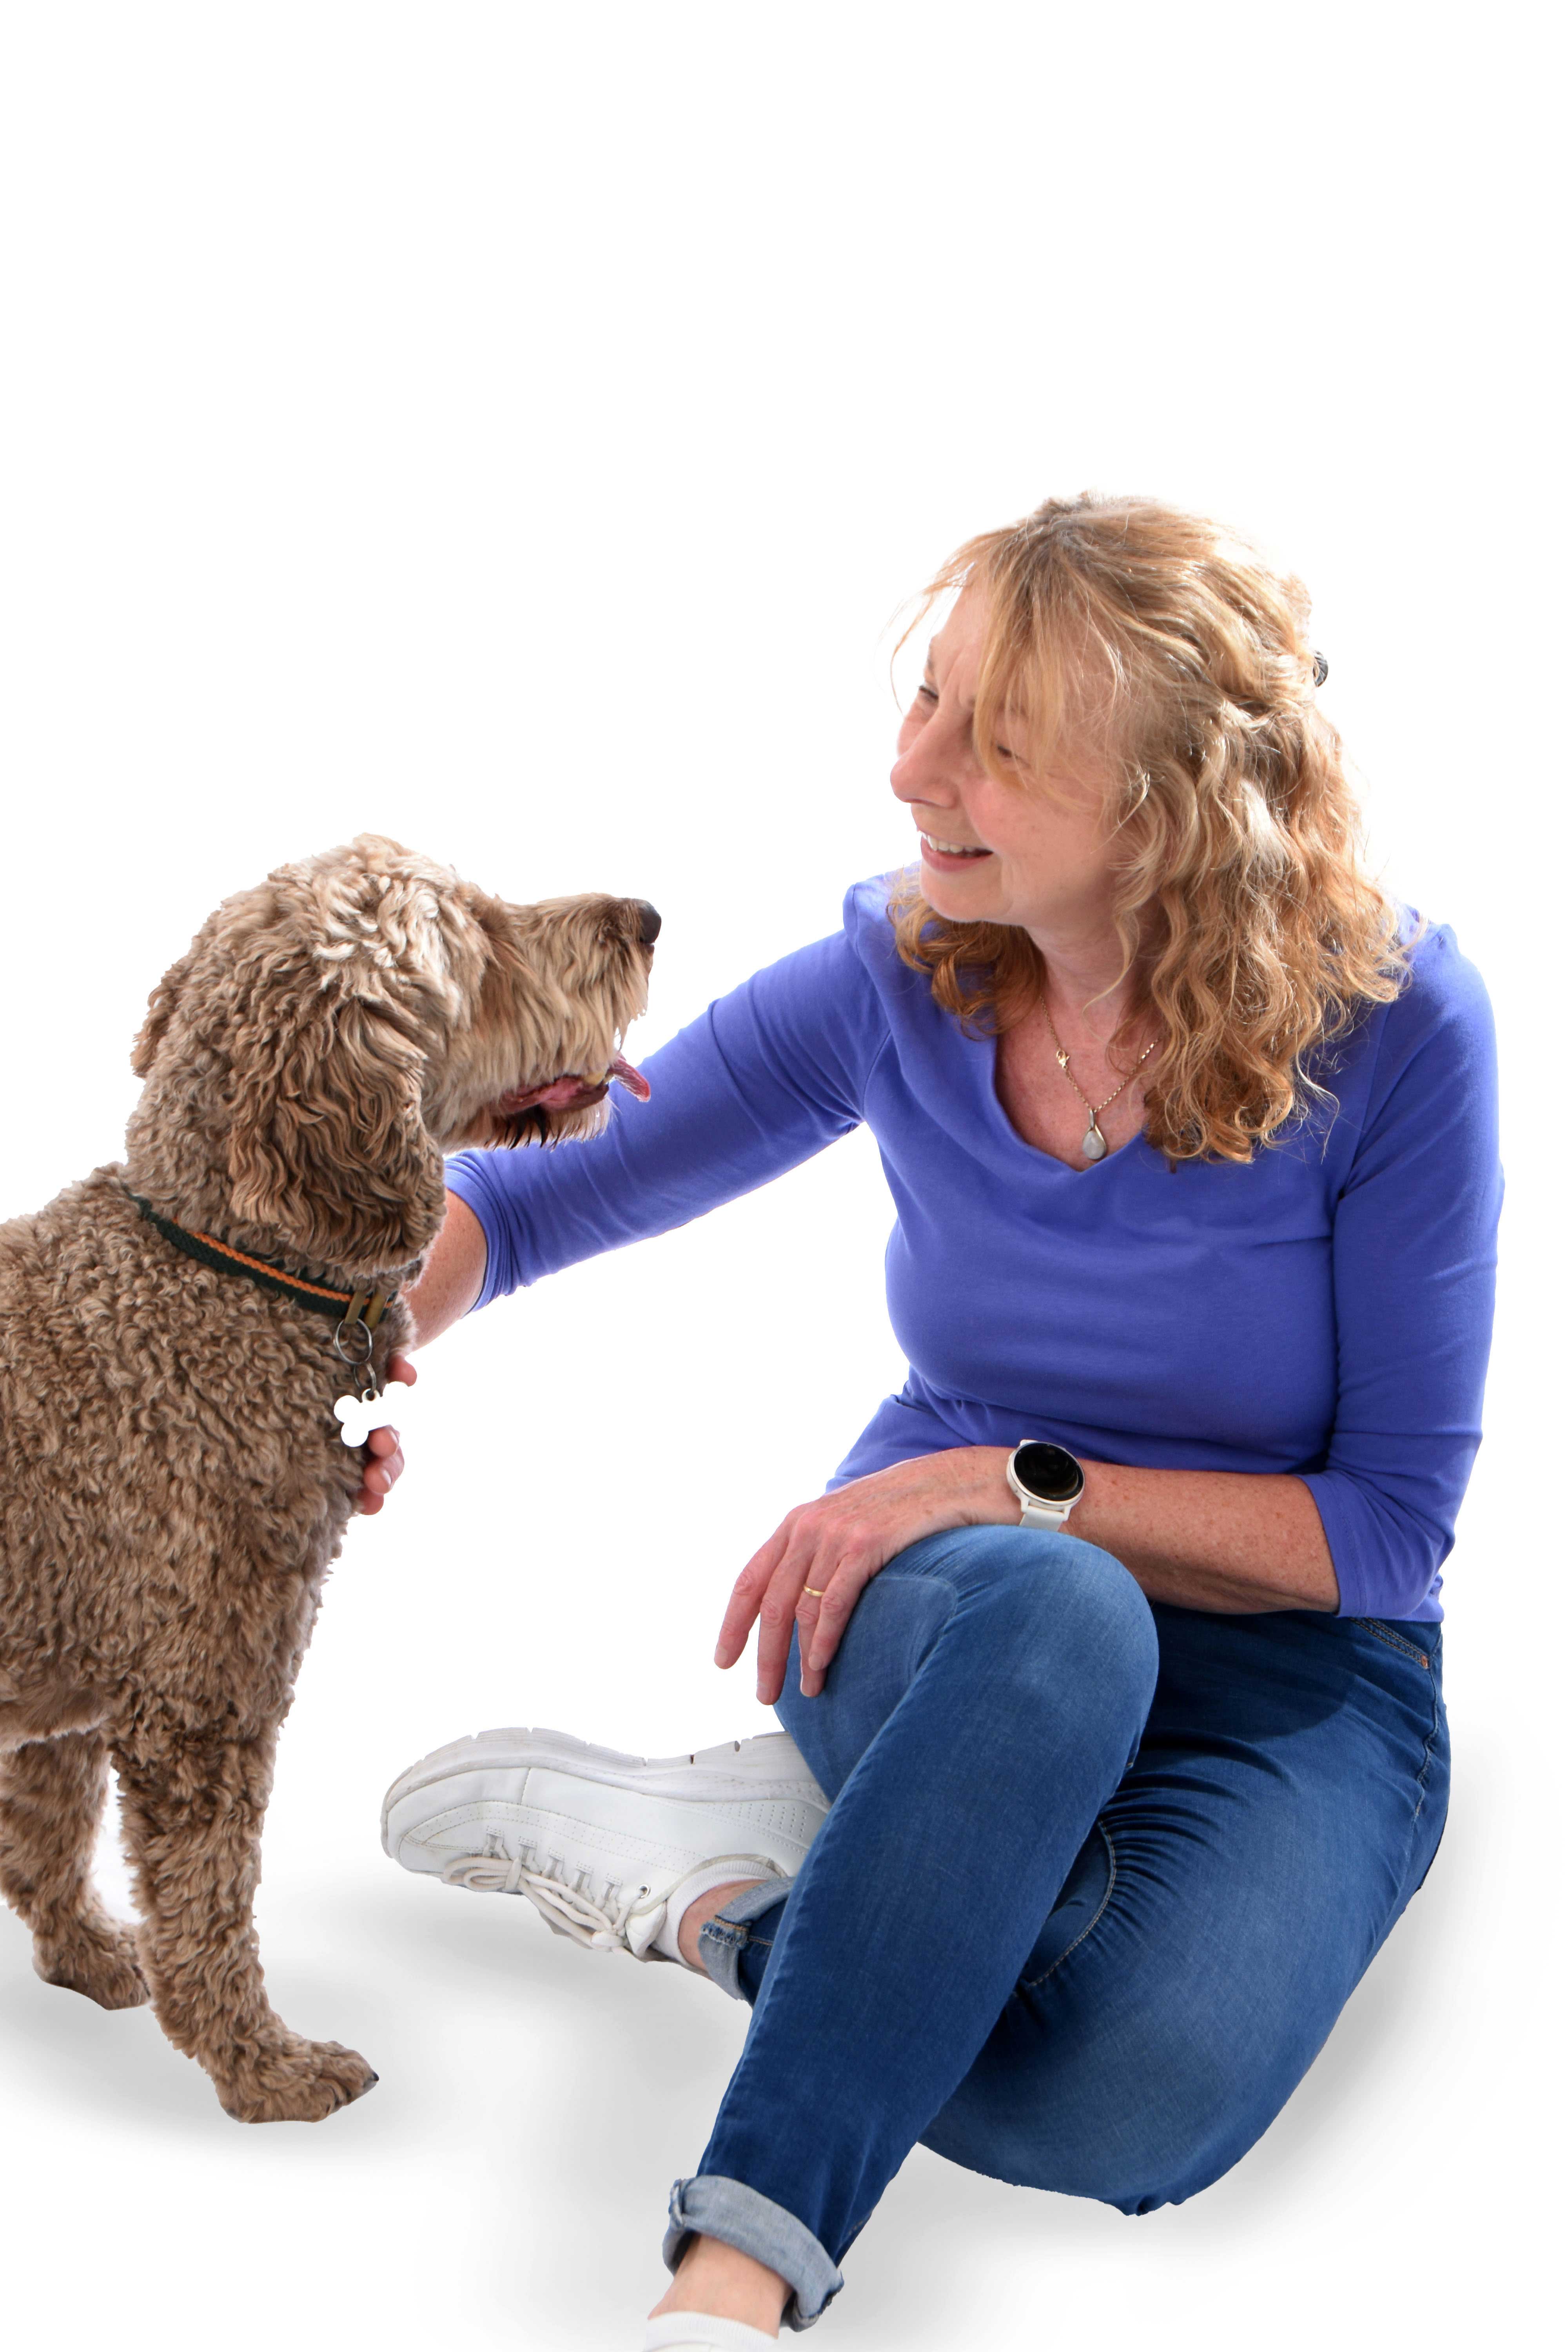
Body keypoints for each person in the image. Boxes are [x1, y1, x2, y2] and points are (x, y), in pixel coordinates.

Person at [367, 494, 1500, 2350]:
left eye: (993, 743)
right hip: (945, 1610)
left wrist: (1011, 1478)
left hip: (1299, 1660)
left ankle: (735, 1905)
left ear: (1161, 810)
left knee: (1123, 2100)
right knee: (1060, 1606)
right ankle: (734, 2277)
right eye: (924, 700)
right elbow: (537, 1200)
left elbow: (1381, 1531)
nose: (909, 771)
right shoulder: (907, 973)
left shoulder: (1394, 1033)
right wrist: (301, 1357)